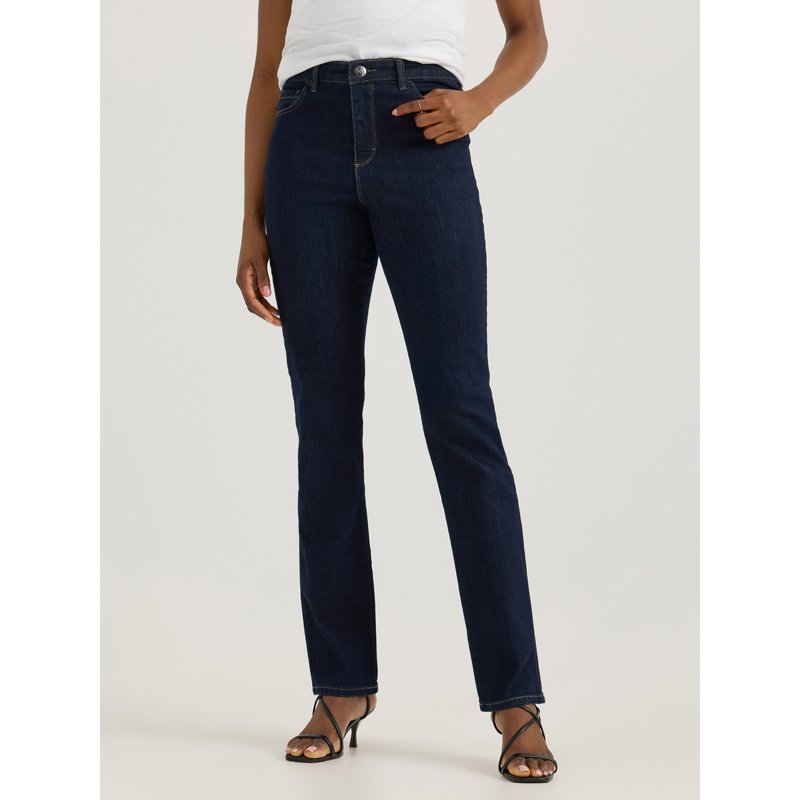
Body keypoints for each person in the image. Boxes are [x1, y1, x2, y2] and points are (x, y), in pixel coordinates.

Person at [235, 0, 556, 783]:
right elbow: (265, 72)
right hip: (306, 140)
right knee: (325, 429)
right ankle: (341, 687)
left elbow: (529, 33)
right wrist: (251, 219)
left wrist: (479, 101)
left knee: (462, 417)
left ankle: (516, 701)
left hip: (424, 132)